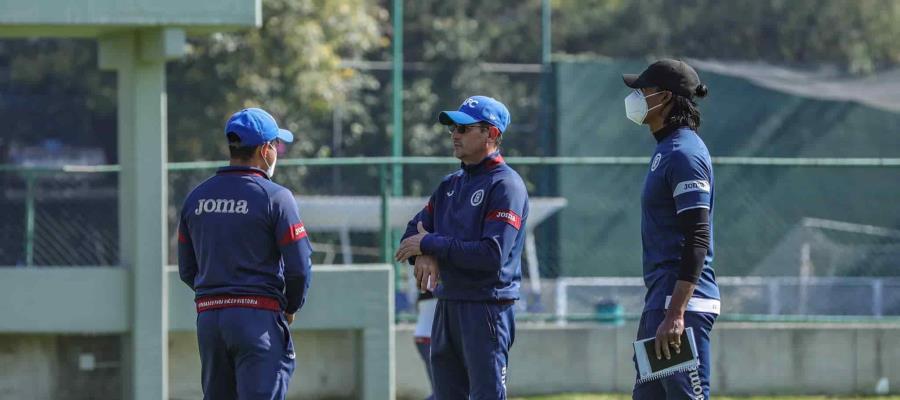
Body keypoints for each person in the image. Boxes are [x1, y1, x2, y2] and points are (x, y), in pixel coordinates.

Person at [395, 95, 529, 400]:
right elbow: (410, 235)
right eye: (453, 128)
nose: (455, 134)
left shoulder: (505, 186)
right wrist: (424, 252)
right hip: (448, 305)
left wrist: (430, 243)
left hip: (486, 309)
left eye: (464, 128)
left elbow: (491, 255)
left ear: (491, 134)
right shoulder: (450, 184)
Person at [177, 107, 314, 400]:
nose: (277, 152)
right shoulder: (276, 197)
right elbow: (299, 267)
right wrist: (290, 306)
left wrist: (219, 294)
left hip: (210, 320)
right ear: (265, 150)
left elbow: (187, 269)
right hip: (258, 317)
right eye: (277, 145)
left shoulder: (196, 198)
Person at [622, 59, 720, 400]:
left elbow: (697, 236)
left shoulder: (684, 153)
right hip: (661, 302)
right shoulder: (665, 150)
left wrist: (676, 313)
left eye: (642, 91)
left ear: (664, 98)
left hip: (681, 309)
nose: (635, 97)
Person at [413, 290, 437, 400]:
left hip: (421, 338)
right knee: (441, 390)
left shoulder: (422, 293)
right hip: (429, 340)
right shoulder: (442, 291)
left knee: (440, 389)